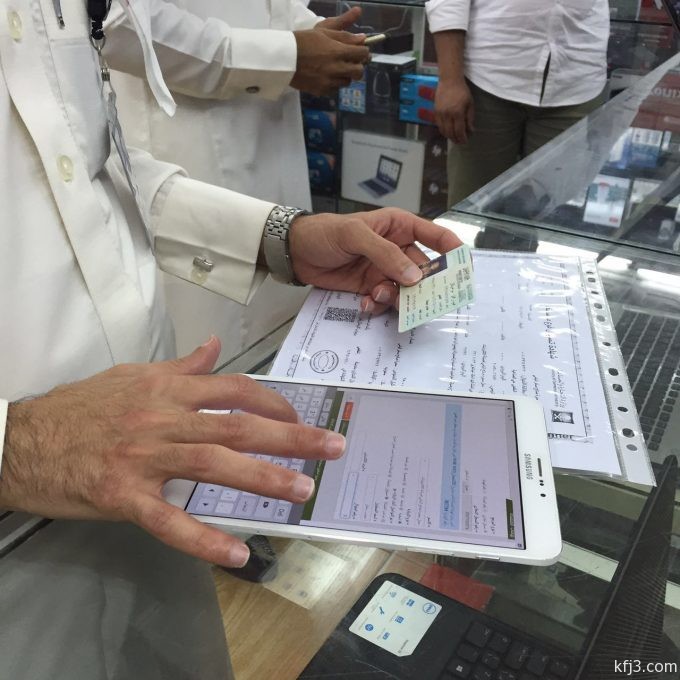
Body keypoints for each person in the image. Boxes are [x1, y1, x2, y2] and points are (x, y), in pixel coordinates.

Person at [0, 1, 462, 678]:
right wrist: (20, 445)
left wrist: (279, 236)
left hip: (155, 452)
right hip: (21, 530)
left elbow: (87, 160)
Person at [104, 1, 365, 364]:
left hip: (272, 122)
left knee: (283, 337)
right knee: (211, 346)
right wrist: (275, 56)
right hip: (189, 131)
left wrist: (309, 35)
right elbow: (114, 20)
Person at [426, 0, 610, 205]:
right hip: (487, 77)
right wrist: (450, 80)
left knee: (550, 210)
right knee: (471, 205)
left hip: (577, 78)